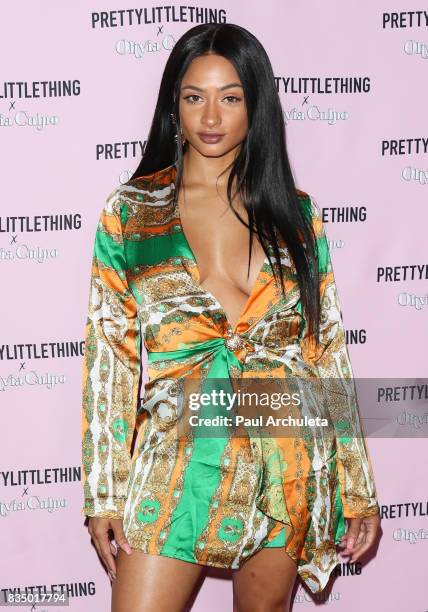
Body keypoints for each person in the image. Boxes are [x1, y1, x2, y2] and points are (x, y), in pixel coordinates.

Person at [81, 23, 381, 612]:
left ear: (255, 105)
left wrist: (357, 488)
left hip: (286, 452)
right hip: (180, 454)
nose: (211, 117)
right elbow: (109, 365)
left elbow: (327, 354)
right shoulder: (133, 215)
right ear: (174, 105)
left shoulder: (295, 216)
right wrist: (103, 493)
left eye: (230, 97)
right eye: (194, 97)